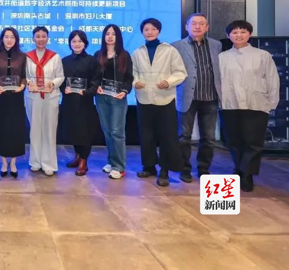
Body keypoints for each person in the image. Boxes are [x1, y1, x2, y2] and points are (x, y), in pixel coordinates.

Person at [219, 20, 279, 192]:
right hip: (230, 104)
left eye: (243, 32)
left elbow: (272, 79)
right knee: (234, 140)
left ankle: (247, 174)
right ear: (228, 35)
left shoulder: (262, 55)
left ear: (250, 34)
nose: (239, 35)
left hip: (256, 103)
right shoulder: (222, 57)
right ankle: (238, 169)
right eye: (234, 32)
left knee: (253, 141)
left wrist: (272, 101)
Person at [132, 18, 187, 187]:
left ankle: (164, 171)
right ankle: (149, 167)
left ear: (159, 31)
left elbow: (180, 72)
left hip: (165, 99)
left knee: (166, 137)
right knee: (146, 136)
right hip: (144, 99)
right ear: (142, 32)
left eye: (153, 29)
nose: (150, 32)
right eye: (146, 29)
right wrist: (135, 82)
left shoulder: (170, 51)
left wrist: (169, 82)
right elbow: (132, 72)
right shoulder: (137, 52)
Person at [171, 13, 222, 183]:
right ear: (187, 27)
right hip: (187, 96)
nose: (197, 26)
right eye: (194, 23)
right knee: (183, 136)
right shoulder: (176, 46)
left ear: (207, 27)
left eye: (201, 24)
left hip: (210, 96)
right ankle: (184, 169)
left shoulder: (216, 45)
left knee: (209, 138)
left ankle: (203, 168)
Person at [94, 24, 134, 180]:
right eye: (107, 34)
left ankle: (119, 167)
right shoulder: (98, 54)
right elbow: (94, 75)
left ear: (118, 37)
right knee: (107, 130)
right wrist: (96, 86)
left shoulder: (124, 55)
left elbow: (129, 77)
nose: (110, 37)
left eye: (113, 34)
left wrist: (124, 91)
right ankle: (111, 162)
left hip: (118, 98)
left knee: (117, 132)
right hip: (101, 97)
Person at [25, 26, 64, 176]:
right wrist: (29, 83)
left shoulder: (55, 57)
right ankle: (35, 161)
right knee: (35, 129)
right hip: (33, 97)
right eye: (38, 36)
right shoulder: (27, 57)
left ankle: (49, 163)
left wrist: (52, 84)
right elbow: (23, 76)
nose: (41, 39)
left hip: (50, 96)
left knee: (49, 129)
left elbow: (61, 76)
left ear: (48, 38)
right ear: (33, 38)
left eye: (43, 36)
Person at [61, 30, 101, 176]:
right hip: (69, 101)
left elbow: (96, 81)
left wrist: (86, 92)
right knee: (73, 130)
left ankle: (84, 161)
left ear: (85, 43)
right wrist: (63, 89)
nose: (77, 44)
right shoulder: (64, 61)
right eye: (74, 41)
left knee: (85, 131)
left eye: (80, 41)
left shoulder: (91, 61)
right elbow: (60, 80)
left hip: (84, 102)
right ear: (70, 43)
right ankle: (77, 156)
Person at [0, 27, 27, 178]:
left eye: (12, 37)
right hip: (1, 98)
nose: (9, 39)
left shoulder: (22, 56)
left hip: (17, 98)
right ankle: (4, 162)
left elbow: (24, 76)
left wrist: (23, 86)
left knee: (16, 130)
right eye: (6, 37)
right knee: (2, 130)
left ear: (16, 39)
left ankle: (14, 163)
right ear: (2, 39)